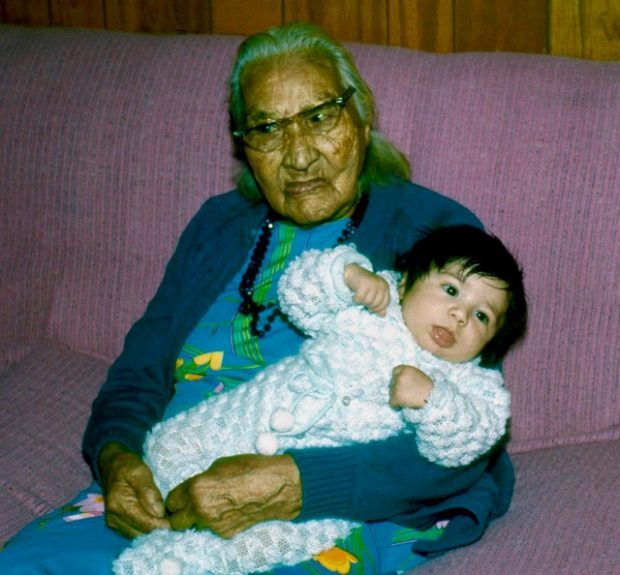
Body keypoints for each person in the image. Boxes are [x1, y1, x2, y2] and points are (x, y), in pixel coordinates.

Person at [0, 22, 517, 575]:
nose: (298, 156)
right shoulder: (217, 225)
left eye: (320, 117)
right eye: (267, 128)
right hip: (174, 478)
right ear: (244, 146)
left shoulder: (436, 236)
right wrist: (118, 458)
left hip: (329, 501)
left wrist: (295, 485)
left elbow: (463, 437)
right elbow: (139, 373)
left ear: (361, 118)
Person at [114, 225, 527, 575]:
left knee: (263, 543)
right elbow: (300, 294)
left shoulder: (468, 382)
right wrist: (344, 276)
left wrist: (433, 400)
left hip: (316, 486)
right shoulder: (375, 303)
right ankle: (157, 516)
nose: (459, 315)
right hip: (249, 415)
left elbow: (471, 439)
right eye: (451, 290)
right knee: (170, 448)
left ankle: (179, 561)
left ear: (491, 344)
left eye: (481, 316)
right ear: (405, 281)